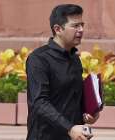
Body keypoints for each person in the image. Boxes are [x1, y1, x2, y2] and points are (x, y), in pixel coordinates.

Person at [26, 4, 99, 140]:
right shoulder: (38, 59)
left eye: (82, 25)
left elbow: (73, 98)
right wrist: (69, 128)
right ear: (58, 29)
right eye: (75, 26)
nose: (81, 30)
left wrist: (90, 113)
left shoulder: (75, 59)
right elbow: (40, 103)